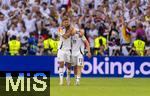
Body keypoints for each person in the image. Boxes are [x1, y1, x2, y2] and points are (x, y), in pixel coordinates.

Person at [57, 16, 73, 85]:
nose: (66, 23)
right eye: (65, 22)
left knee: (69, 66)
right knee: (61, 64)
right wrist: (69, 32)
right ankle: (61, 81)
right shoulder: (60, 29)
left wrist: (69, 32)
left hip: (68, 49)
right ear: (63, 23)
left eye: (67, 22)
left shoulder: (71, 29)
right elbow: (65, 37)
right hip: (61, 49)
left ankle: (68, 77)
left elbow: (68, 36)